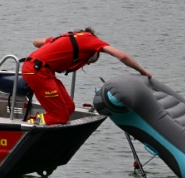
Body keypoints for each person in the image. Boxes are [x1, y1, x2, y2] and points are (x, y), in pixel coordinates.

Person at [22, 27, 152, 125]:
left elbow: (36, 42)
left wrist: (54, 45)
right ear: (94, 51)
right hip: (37, 71)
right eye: (90, 61)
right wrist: (143, 71)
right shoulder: (92, 42)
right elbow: (122, 56)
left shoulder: (69, 38)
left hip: (42, 70)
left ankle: (46, 122)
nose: (87, 63)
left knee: (69, 108)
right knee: (60, 116)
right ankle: (33, 121)